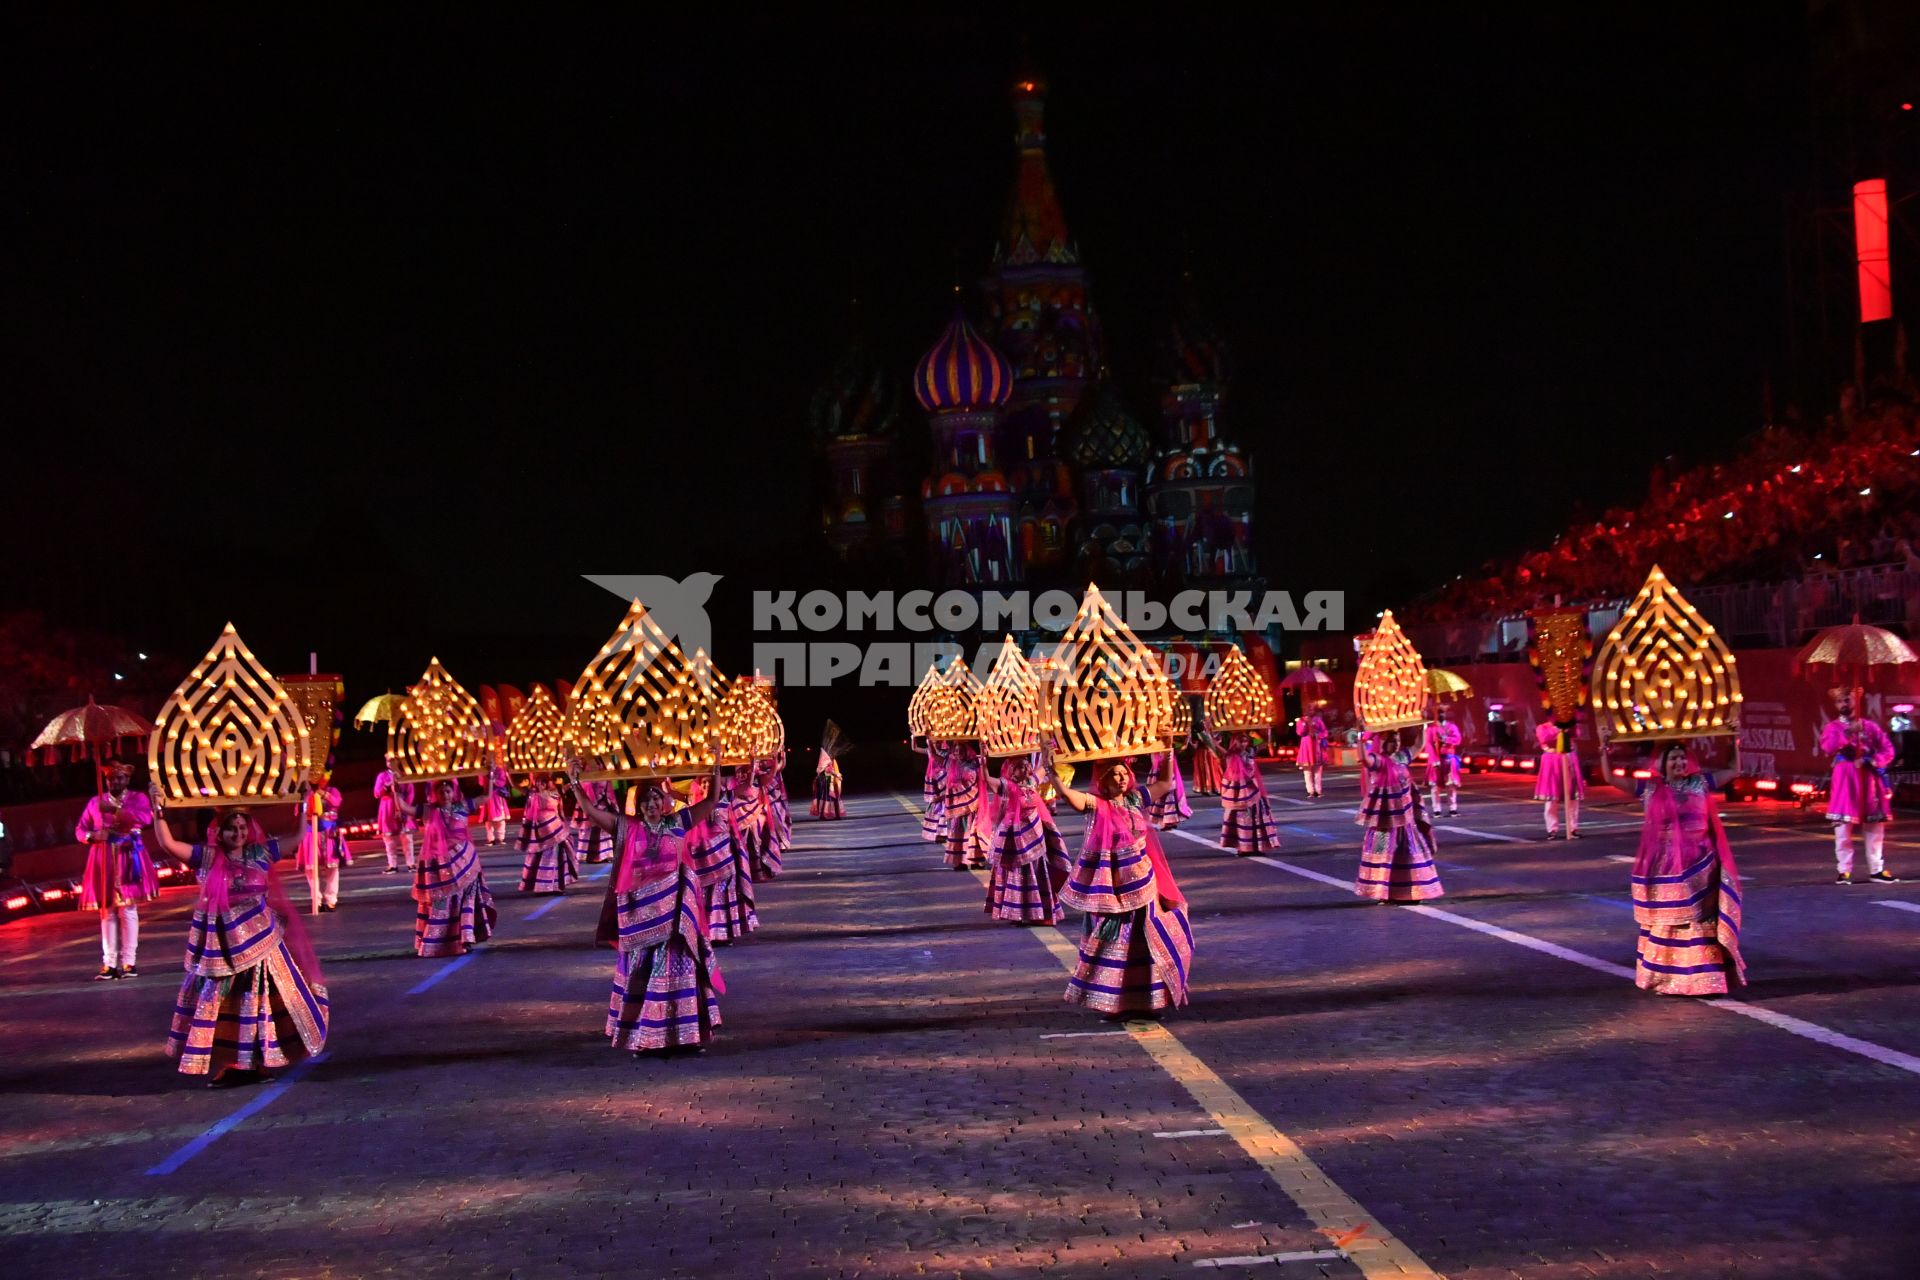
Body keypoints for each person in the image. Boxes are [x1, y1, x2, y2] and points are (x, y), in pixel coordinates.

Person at [146, 785, 329, 1087]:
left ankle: (257, 1062)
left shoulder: (260, 853)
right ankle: (232, 1064)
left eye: (243, 827)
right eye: (232, 829)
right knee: (220, 1005)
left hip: (262, 946)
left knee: (259, 1004)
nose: (239, 833)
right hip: (221, 949)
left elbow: (297, 838)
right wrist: (158, 809)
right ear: (218, 832)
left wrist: (303, 805)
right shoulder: (205, 858)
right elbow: (167, 843)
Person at [572, 772, 725, 1055]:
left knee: (678, 975)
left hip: (676, 922)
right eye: (646, 800)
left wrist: (715, 765)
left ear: (663, 801)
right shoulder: (628, 828)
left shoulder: (678, 822)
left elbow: (713, 799)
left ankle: (687, 1037)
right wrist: (574, 783)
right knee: (646, 976)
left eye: (656, 798)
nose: (651, 804)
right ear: (639, 805)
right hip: (641, 922)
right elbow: (592, 812)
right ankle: (643, 1039)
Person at [1052, 753, 1193, 1018]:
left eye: (1124, 773)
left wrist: (1169, 752)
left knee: (1148, 940)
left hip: (1145, 883)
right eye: (1115, 774)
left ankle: (1149, 1003)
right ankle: (1114, 1003)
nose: (1122, 778)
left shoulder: (1134, 800)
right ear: (1103, 782)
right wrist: (1052, 773)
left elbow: (1165, 782)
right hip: (1113, 892)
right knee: (1116, 943)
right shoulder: (1097, 805)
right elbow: (1069, 796)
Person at [1629, 742, 1746, 995]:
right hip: (1667, 868)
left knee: (1700, 919)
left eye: (1682, 758)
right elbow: (1609, 778)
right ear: (1662, 763)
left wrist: (1733, 739)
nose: (1679, 763)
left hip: (1701, 864)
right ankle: (1664, 978)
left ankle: (1706, 980)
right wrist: (1604, 750)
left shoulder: (1700, 784)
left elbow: (1734, 769)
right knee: (1670, 921)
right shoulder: (1650, 789)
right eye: (1673, 759)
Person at [388, 776, 498, 957]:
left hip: (465, 861)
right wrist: (396, 789)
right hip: (439, 865)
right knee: (442, 901)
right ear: (435, 794)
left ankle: (466, 937)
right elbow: (404, 808)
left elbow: (486, 796)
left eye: (448, 791)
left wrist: (490, 776)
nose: (445, 795)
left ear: (453, 792)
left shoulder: (461, 806)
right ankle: (437, 942)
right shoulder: (429, 810)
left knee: (466, 899)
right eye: (441, 792)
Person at [76, 762, 156, 980]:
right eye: (111, 779)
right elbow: (80, 829)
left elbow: (145, 818)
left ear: (127, 780)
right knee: (107, 910)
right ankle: (109, 964)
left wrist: (114, 810)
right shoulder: (95, 802)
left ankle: (129, 962)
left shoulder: (138, 799)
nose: (115, 782)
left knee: (128, 910)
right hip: (103, 858)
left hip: (128, 855)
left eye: (119, 778)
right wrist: (92, 836)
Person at [977, 752, 1071, 924]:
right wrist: (983, 763)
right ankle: (1016, 912)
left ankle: (1040, 912)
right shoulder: (1007, 785)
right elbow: (987, 779)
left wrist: (1048, 747)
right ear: (1012, 771)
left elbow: (1045, 765)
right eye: (1020, 766)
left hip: (1035, 833)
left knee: (1038, 869)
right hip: (1015, 837)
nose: (1026, 768)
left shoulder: (1031, 782)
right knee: (1018, 872)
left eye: (1026, 765)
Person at [1355, 727, 1444, 903]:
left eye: (1397, 740)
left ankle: (1413, 892)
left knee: (1410, 853)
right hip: (1384, 822)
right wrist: (1360, 738)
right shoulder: (1378, 760)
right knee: (1382, 856)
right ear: (1384, 742)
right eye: (1392, 740)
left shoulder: (1403, 757)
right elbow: (1363, 758)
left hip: (1406, 820)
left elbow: (1419, 744)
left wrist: (1423, 724)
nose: (1396, 744)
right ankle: (1383, 893)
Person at [1821, 691, 1899, 884]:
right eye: (1839, 701)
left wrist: (1873, 760)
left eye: (1846, 700)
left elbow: (1888, 750)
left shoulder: (1870, 727)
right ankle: (1844, 870)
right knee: (1843, 829)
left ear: (1856, 700)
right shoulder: (1833, 727)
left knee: (1874, 828)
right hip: (1845, 781)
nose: (1843, 704)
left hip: (1868, 780)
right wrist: (1848, 733)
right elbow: (1828, 748)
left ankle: (1876, 869)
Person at [694, 768, 758, 943]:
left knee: (724, 892)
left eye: (710, 782)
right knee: (707, 895)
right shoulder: (694, 806)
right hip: (704, 859)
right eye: (704, 783)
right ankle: (709, 933)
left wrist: (752, 764)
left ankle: (725, 933)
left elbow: (746, 785)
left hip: (724, 856)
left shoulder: (725, 798)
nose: (707, 785)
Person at [1203, 731, 1280, 856]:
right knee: (1241, 819)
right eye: (1241, 741)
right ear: (1235, 741)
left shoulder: (1250, 752)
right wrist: (1211, 738)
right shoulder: (1231, 755)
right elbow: (1217, 748)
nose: (1244, 743)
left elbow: (1266, 743)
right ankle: (1242, 847)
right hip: (1238, 791)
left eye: (1245, 741)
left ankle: (1257, 847)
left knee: (1256, 818)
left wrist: (1261, 735)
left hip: (1253, 789)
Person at [293, 773, 351, 914]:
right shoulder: (304, 793)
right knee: (311, 870)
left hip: (329, 832)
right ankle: (316, 900)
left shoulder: (332, 791)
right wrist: (306, 799)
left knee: (332, 869)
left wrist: (323, 794)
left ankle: (331, 899)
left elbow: (337, 802)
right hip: (310, 833)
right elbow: (297, 812)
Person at [516, 773, 579, 894]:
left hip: (556, 831)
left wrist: (574, 776)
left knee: (557, 859)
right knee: (538, 859)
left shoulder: (556, 793)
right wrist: (507, 774)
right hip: (540, 833)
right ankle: (541, 887)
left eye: (544, 782)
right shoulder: (532, 795)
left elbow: (571, 785)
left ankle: (555, 887)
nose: (541, 784)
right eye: (539, 782)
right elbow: (516, 786)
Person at [937, 743, 985, 870]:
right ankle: (959, 862)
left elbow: (974, 781)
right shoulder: (951, 765)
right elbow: (935, 757)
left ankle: (974, 861)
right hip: (956, 808)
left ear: (966, 751)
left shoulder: (973, 764)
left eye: (961, 750)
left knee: (971, 835)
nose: (958, 753)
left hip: (971, 806)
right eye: (956, 750)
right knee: (957, 834)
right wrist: (929, 743)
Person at [1534, 719, 1584, 839]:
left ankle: (1573, 828)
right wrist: (1559, 729)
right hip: (1551, 760)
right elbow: (1544, 738)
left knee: (1572, 797)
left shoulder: (1569, 725)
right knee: (1551, 798)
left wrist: (1570, 725)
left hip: (1568, 759)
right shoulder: (1542, 727)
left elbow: (1577, 733)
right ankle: (1552, 829)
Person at [372, 761, 416, 873]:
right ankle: (392, 865)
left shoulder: (405, 774)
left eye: (392, 760)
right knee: (389, 840)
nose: (390, 763)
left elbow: (410, 792)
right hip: (387, 809)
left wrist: (405, 808)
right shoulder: (382, 776)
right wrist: (386, 786)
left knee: (407, 838)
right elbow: (377, 793)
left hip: (403, 806)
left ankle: (411, 864)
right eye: (388, 761)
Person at [1423, 709, 1463, 816]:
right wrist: (1434, 760)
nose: (1441, 715)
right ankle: (1436, 810)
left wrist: (1446, 739)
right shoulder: (1431, 729)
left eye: (1443, 712)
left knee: (1451, 785)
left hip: (1449, 759)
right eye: (1439, 713)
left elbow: (1458, 739)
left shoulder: (1452, 727)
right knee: (1435, 787)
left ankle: (1453, 808)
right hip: (1436, 760)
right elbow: (1428, 745)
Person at [1143, 747, 1192, 830]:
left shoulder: (1169, 745)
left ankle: (1170, 821)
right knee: (1161, 795)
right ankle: (1165, 821)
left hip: (1169, 768)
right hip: (1158, 767)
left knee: (1170, 794)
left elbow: (1180, 749)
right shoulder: (1155, 745)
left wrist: (1187, 740)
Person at [571, 778, 617, 864]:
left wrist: (612, 805)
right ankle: (587, 855)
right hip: (588, 807)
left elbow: (610, 794)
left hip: (602, 806)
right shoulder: (583, 778)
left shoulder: (605, 779)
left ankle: (605, 855)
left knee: (603, 832)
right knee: (587, 832)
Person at [1293, 704, 1330, 798]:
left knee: (1318, 771)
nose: (1310, 711)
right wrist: (1305, 723)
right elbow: (1299, 732)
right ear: (1304, 711)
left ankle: (1318, 791)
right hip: (1306, 746)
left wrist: (1319, 736)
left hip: (1316, 746)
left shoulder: (1318, 720)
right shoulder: (1301, 721)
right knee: (1307, 771)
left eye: (1312, 710)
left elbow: (1325, 731)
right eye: (1308, 710)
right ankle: (1311, 791)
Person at [914, 739, 949, 837]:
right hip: (933, 777)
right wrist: (914, 737)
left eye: (938, 742)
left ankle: (944, 831)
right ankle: (936, 831)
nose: (936, 744)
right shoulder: (929, 751)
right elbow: (915, 748)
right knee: (934, 803)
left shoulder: (946, 752)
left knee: (943, 801)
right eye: (934, 742)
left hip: (944, 777)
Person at [479, 762, 512, 847]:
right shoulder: (483, 771)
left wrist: (493, 779)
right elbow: (481, 783)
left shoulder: (499, 770)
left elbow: (502, 782)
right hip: (488, 797)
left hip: (497, 796)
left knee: (500, 820)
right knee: (488, 821)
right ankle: (491, 839)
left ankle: (501, 838)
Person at [812, 751, 845, 820]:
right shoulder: (826, 760)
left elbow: (819, 770)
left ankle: (832, 815)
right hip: (827, 782)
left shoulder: (824, 760)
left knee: (828, 798)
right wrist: (838, 775)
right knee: (829, 798)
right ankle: (827, 815)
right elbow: (829, 770)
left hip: (826, 782)